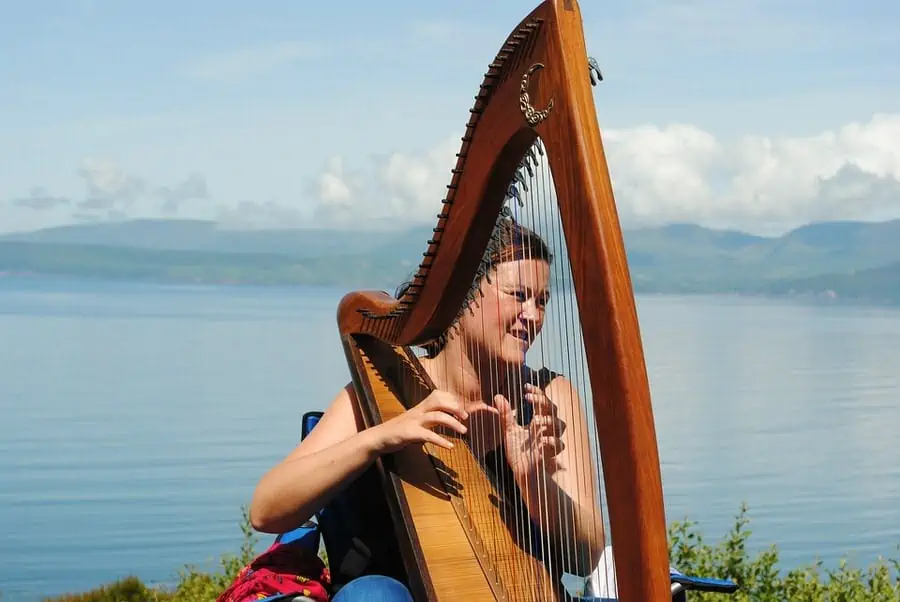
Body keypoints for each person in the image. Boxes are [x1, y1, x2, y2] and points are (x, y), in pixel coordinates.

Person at [224, 218, 606, 602]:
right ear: (463, 296)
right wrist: (379, 438)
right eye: (518, 295)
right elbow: (266, 510)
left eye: (542, 301)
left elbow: (587, 554)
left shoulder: (548, 396)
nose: (533, 316)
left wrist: (536, 483)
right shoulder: (381, 390)